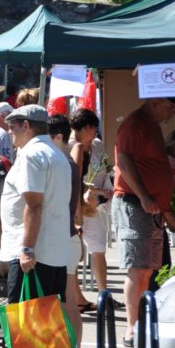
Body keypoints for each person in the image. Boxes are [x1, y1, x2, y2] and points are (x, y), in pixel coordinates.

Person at [0, 105, 73, 348]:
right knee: (45, 309)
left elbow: (34, 204)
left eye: (13, 125)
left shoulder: (32, 154)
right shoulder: (57, 154)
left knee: (22, 309)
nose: (10, 131)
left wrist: (27, 247)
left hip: (34, 246)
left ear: (27, 126)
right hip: (53, 245)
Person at [111, 97, 175, 348]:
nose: (171, 112)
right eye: (169, 107)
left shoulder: (150, 125)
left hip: (149, 207)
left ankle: (141, 322)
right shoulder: (134, 124)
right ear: (155, 101)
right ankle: (131, 327)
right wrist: (144, 195)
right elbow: (124, 161)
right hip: (134, 204)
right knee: (137, 268)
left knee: (147, 268)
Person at [48, 114, 85, 348]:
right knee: (68, 302)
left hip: (63, 237)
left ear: (58, 136)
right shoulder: (67, 162)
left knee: (66, 303)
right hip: (68, 236)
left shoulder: (62, 162)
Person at [68, 108, 112, 308]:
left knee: (98, 249)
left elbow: (105, 170)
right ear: (86, 128)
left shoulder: (97, 145)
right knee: (74, 253)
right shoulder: (69, 146)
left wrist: (102, 192)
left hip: (95, 205)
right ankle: (77, 298)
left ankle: (104, 294)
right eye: (94, 129)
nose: (96, 133)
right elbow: (72, 181)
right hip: (73, 205)